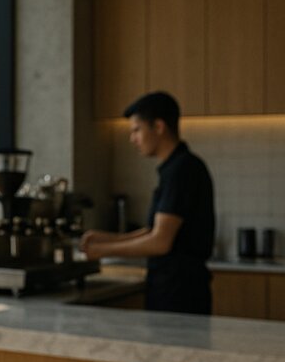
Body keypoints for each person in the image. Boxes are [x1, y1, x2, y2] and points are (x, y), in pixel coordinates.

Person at [80, 91, 215, 315]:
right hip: (174, 289)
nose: (133, 139)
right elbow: (155, 231)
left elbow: (160, 242)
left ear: (159, 127)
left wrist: (101, 250)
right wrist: (108, 238)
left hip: (179, 295)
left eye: (136, 130)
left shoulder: (181, 170)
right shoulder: (176, 167)